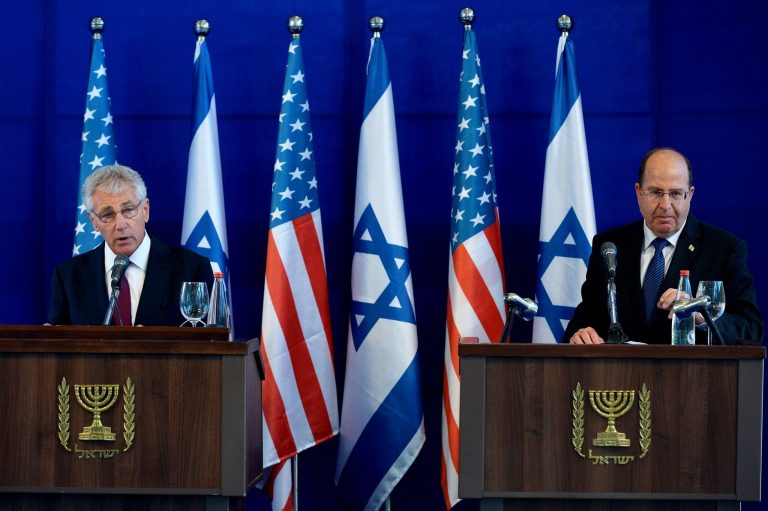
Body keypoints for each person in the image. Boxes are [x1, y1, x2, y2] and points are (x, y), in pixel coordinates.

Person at [565, 148, 763, 345]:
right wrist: (580, 333)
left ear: (690, 195)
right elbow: (583, 320)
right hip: (622, 366)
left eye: (675, 193)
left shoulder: (724, 250)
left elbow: (751, 330)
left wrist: (701, 317)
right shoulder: (610, 247)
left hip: (691, 366)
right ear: (639, 193)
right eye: (656, 192)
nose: (665, 205)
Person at [48, 165, 213, 326]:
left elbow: (208, 338)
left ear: (145, 210)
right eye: (107, 214)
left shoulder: (192, 269)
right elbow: (59, 340)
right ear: (94, 221)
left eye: (128, 210)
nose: (120, 225)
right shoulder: (68, 277)